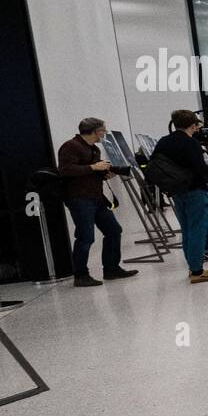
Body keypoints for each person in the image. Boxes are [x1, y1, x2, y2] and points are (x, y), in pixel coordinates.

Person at [56, 117, 138, 288]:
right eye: (103, 130)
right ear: (94, 131)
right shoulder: (71, 146)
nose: (105, 134)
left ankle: (111, 268)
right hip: (79, 198)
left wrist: (104, 173)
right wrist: (94, 168)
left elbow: (89, 172)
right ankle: (80, 275)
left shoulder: (93, 149)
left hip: (96, 197)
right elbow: (65, 170)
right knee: (86, 236)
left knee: (114, 230)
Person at [153, 109, 208, 283]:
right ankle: (197, 270)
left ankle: (192, 267)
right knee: (198, 230)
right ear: (193, 125)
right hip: (195, 190)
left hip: (177, 191)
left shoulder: (163, 141)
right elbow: (200, 168)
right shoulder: (190, 143)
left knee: (187, 230)